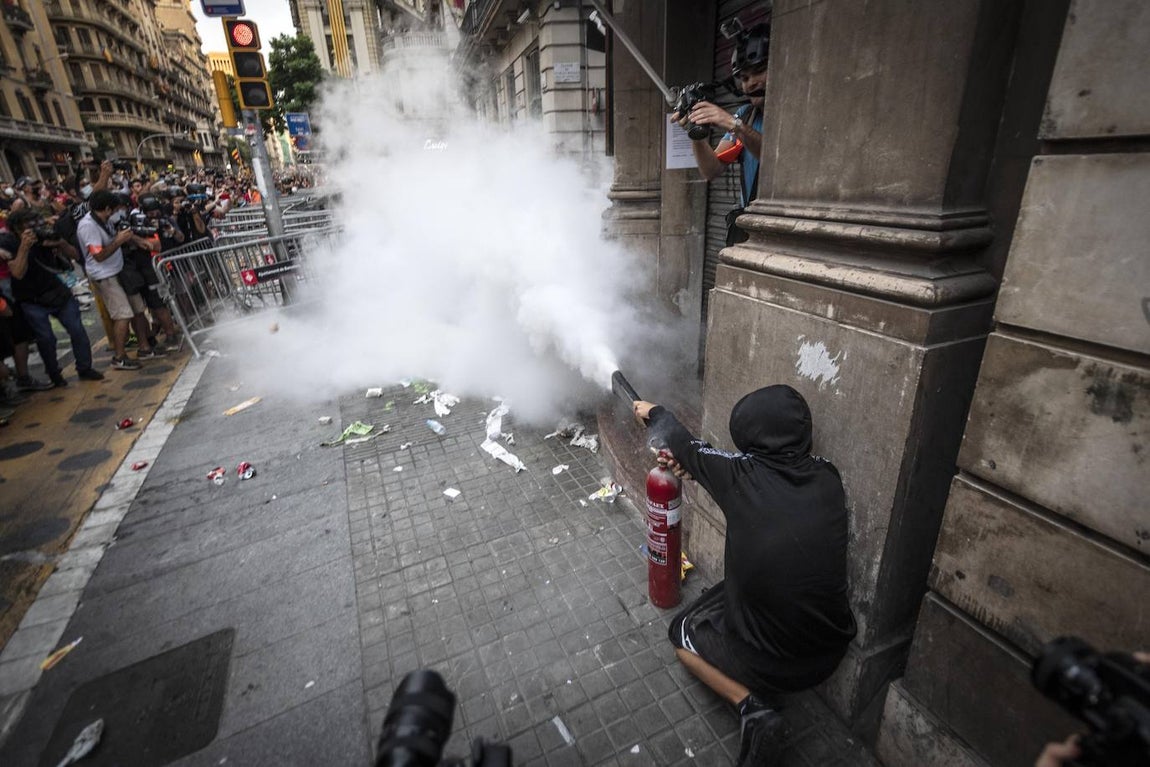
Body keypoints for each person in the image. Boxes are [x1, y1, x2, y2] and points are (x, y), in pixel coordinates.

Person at [633, 385, 857, 767]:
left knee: (681, 636)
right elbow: (712, 462)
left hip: (777, 665)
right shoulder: (828, 477)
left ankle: (752, 707)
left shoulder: (739, 477)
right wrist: (696, 467)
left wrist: (653, 412)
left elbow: (682, 440)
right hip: (830, 650)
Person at [670, 22, 770, 245]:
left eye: (758, 71)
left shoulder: (781, 115)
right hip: (750, 228)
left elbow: (778, 161)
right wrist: (695, 132)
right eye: (744, 78)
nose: (751, 83)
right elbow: (711, 170)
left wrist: (732, 124)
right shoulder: (746, 115)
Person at [0, 209, 103, 385]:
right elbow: (17, 272)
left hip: (57, 292)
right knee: (46, 338)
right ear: (17, 228)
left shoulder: (46, 235)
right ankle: (54, 373)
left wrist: (60, 242)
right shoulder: (10, 242)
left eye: (37, 223)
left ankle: (85, 367)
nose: (35, 228)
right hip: (30, 299)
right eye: (29, 225)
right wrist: (25, 247)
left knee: (77, 329)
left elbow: (76, 255)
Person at [76, 190, 164, 370]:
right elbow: (98, 255)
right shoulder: (88, 226)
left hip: (121, 270)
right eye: (116, 209)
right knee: (123, 314)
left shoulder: (107, 219)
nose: (118, 213)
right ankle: (119, 356)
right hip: (105, 275)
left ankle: (145, 348)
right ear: (107, 209)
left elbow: (126, 234)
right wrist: (118, 241)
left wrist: (140, 241)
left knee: (138, 309)